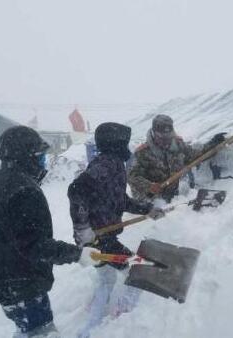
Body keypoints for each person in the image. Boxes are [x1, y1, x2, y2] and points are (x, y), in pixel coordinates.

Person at [0, 126, 101, 338]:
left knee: (27, 332)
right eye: (39, 156)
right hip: (24, 285)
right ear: (25, 156)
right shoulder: (24, 189)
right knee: (40, 332)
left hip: (5, 281)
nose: (43, 161)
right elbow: (34, 245)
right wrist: (77, 254)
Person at [67, 122, 164, 337]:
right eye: (124, 141)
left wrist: (147, 209)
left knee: (106, 279)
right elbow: (76, 191)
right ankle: (121, 320)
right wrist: (83, 229)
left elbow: (120, 201)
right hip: (99, 238)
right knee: (135, 270)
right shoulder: (107, 165)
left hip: (101, 236)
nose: (127, 145)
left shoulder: (115, 164)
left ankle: (92, 325)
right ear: (116, 142)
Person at [128, 114, 226, 202]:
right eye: (162, 138)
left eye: (169, 136)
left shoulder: (178, 145)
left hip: (172, 196)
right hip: (147, 200)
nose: (166, 141)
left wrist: (213, 143)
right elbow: (131, 176)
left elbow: (195, 155)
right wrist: (149, 186)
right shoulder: (142, 153)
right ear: (154, 134)